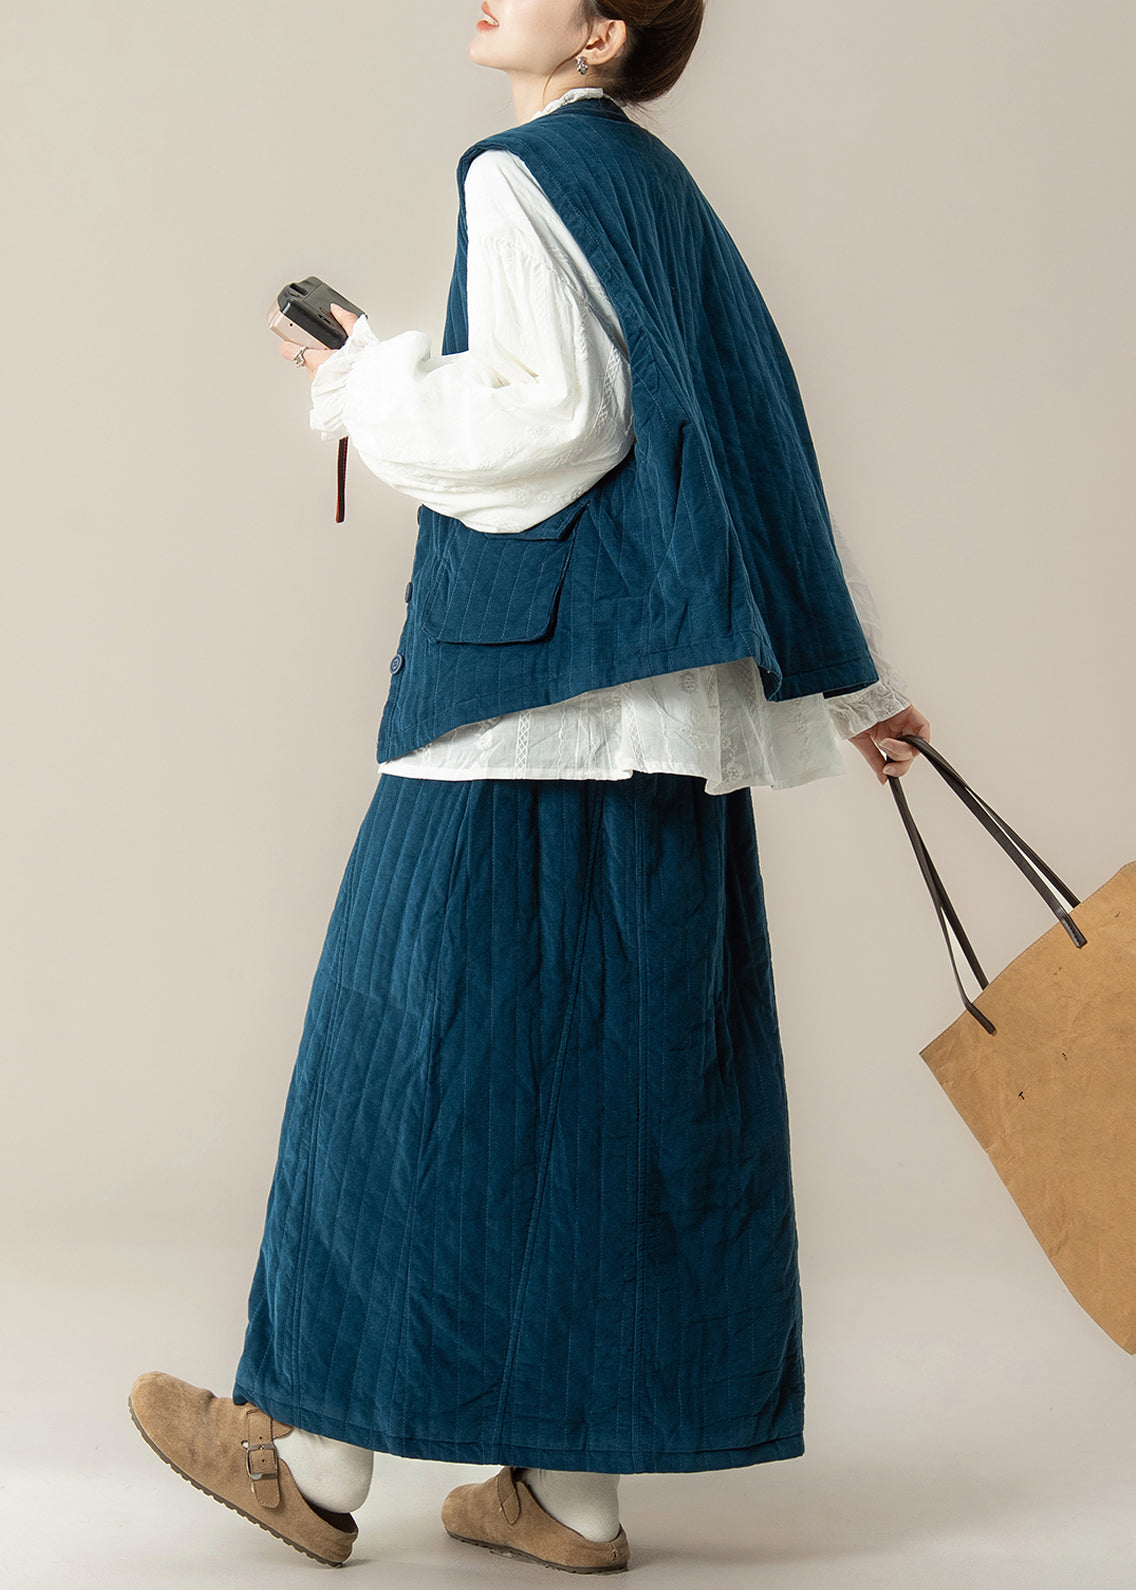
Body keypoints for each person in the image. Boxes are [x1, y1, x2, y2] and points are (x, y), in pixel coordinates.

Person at [129, 0, 932, 1573]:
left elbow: (552, 421)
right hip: (668, 706)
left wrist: (366, 380)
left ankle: (312, 1454)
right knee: (619, 1086)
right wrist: (854, 682)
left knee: (399, 1060)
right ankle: (571, 1493)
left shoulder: (518, 172)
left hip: (524, 703)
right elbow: (756, 428)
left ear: (603, 31)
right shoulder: (654, 184)